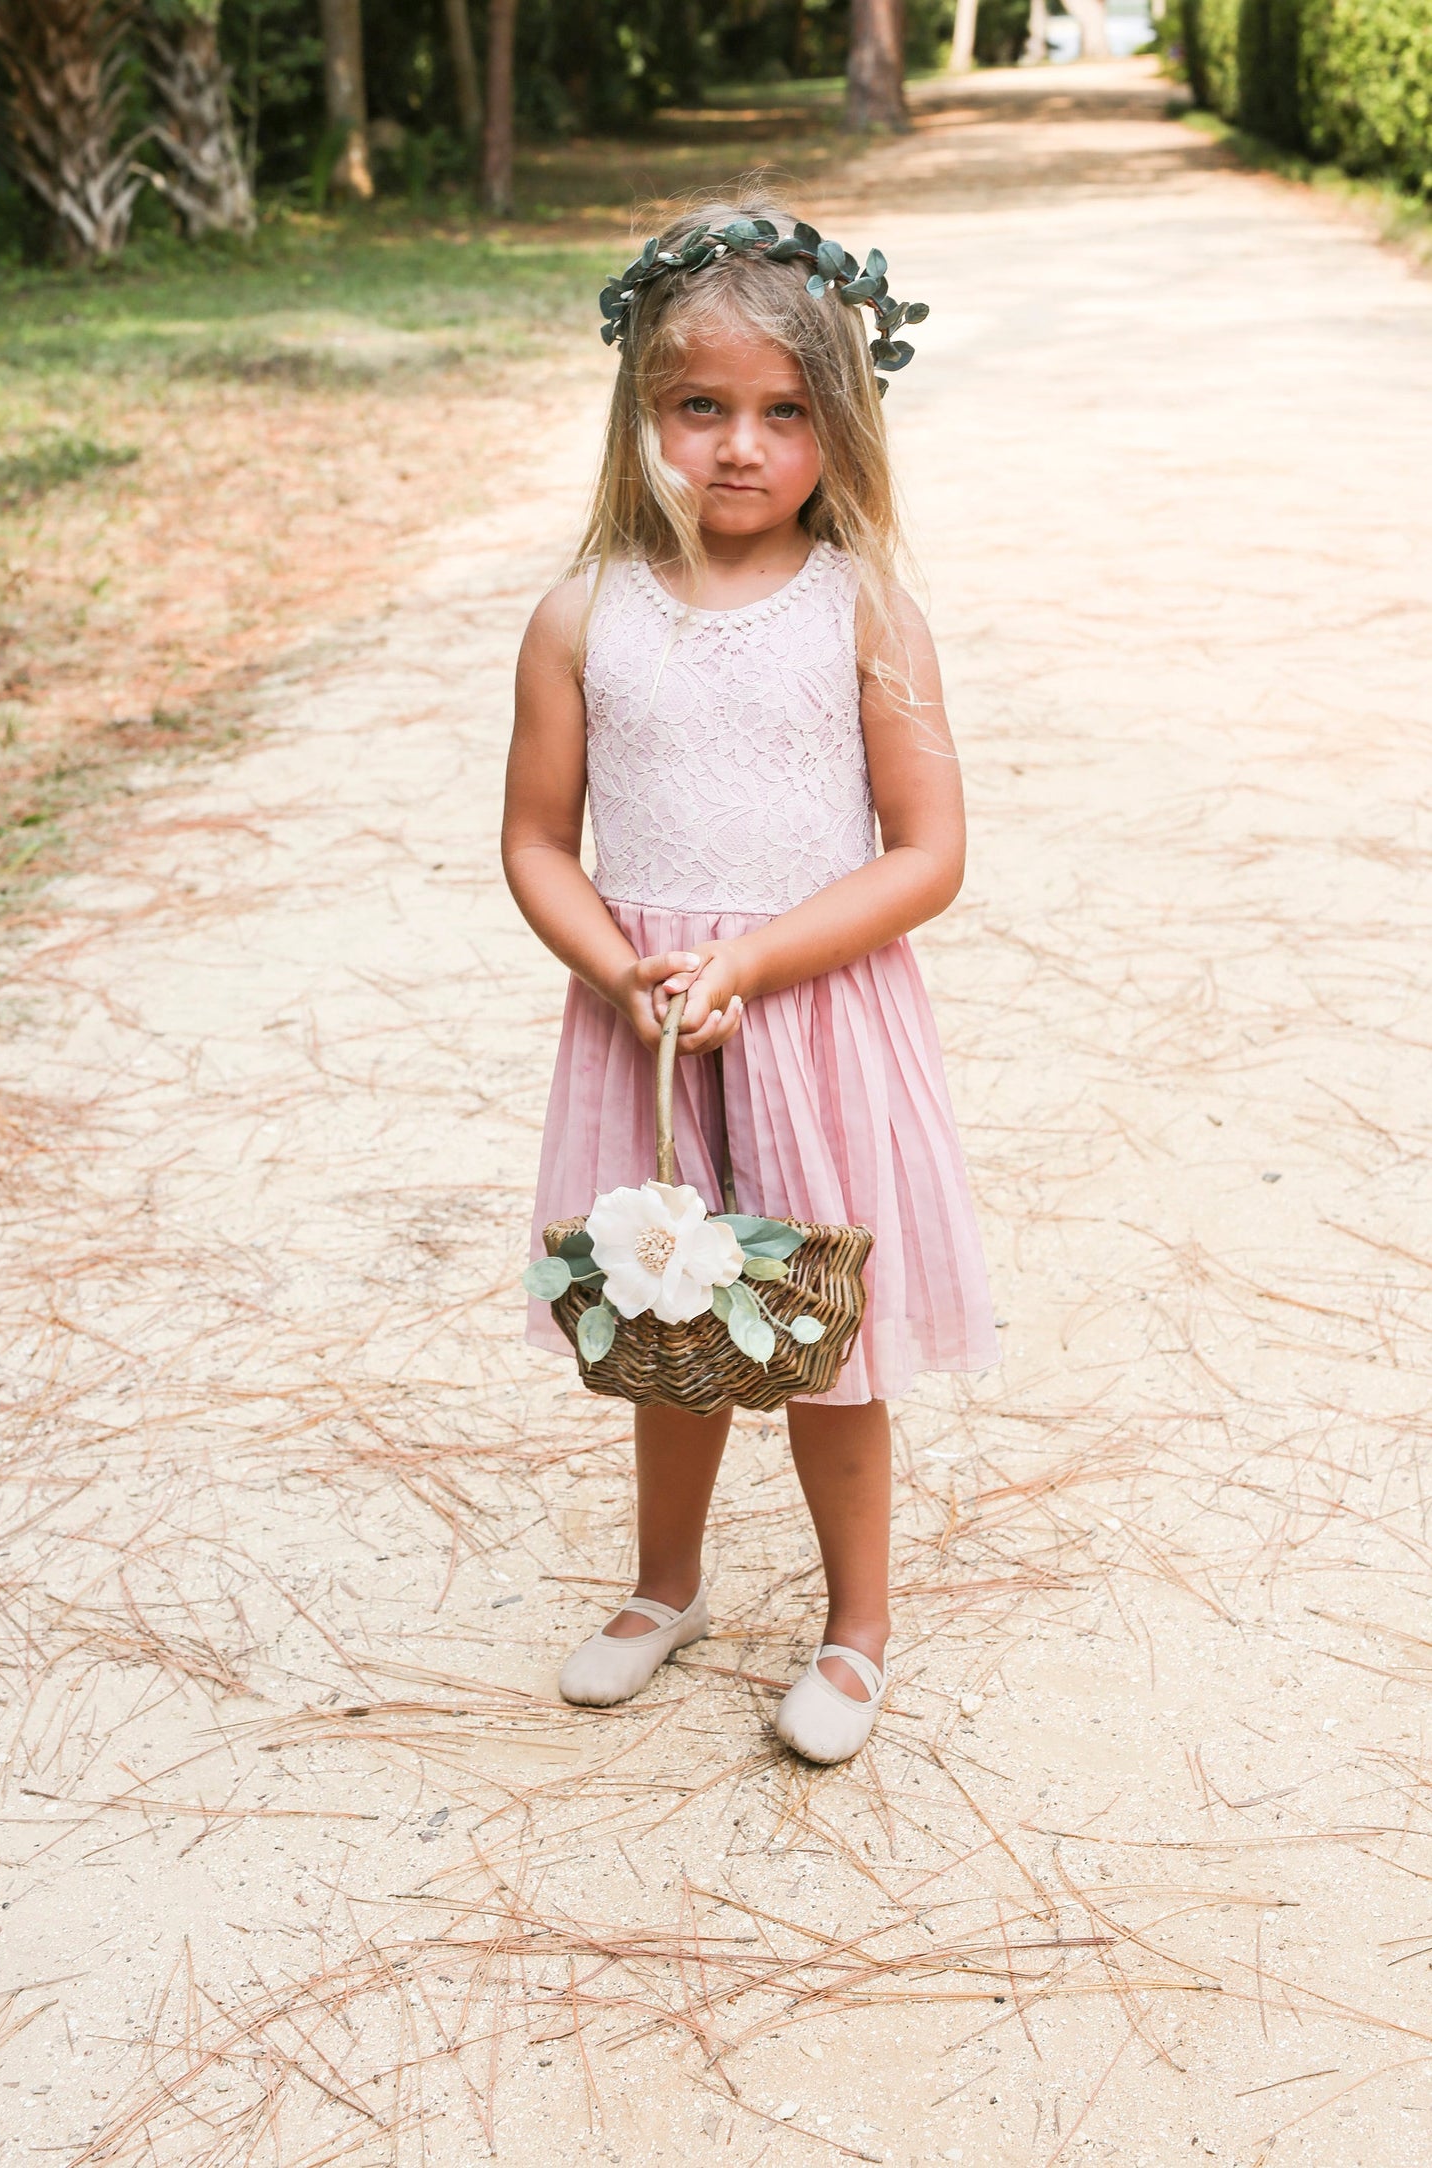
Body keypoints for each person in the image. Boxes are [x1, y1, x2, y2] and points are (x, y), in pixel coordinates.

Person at [501, 197, 997, 1764]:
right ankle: (668, 1587)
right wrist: (622, 971)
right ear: (641, 409)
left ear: (838, 428)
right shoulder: (583, 616)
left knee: (821, 1330)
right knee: (672, 1313)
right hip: (648, 1029)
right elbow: (533, 844)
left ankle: (856, 1630)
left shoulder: (864, 616)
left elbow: (927, 853)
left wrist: (759, 958)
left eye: (784, 414)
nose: (737, 447)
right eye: (699, 407)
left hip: (808, 1023)